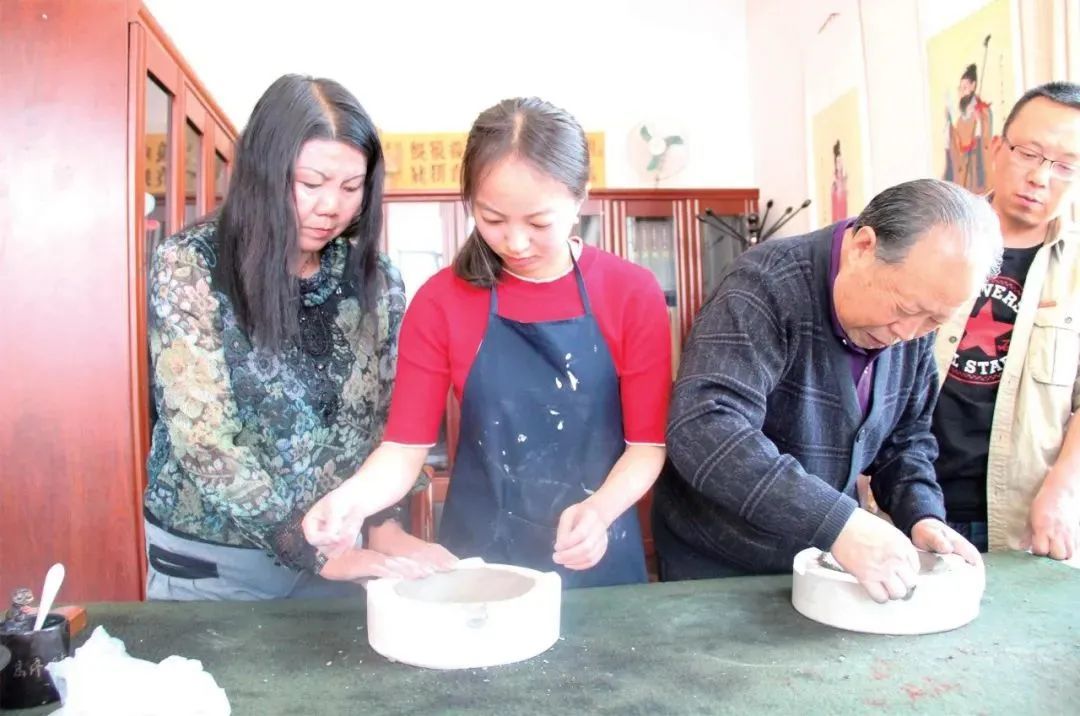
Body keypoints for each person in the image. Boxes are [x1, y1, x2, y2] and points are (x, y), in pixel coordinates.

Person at [303, 97, 672, 588]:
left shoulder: (631, 292)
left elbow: (647, 446)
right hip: (481, 562)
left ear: (580, 197)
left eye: (538, 223)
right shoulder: (442, 300)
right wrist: (349, 501)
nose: (515, 242)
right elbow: (404, 448)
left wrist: (600, 511)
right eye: (492, 219)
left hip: (596, 554)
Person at [143, 74, 435, 600]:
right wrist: (304, 546)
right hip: (219, 564)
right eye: (311, 183)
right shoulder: (192, 264)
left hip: (342, 547)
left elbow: (389, 423)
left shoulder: (375, 277)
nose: (332, 207)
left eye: (351, 188)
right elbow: (203, 440)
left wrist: (384, 522)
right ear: (263, 173)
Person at [654, 178, 1002, 603]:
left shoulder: (915, 315)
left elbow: (906, 439)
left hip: (823, 562)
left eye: (934, 321)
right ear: (863, 247)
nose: (908, 333)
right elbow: (705, 428)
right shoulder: (764, 285)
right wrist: (838, 522)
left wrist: (921, 514)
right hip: (720, 563)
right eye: (904, 309)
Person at [933, 82, 1080, 560]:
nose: (1040, 177)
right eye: (1029, 154)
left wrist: (1061, 492)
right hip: (912, 506)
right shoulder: (934, 239)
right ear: (997, 148)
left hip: (1027, 519)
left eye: (1065, 166)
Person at [945, 63, 995, 193]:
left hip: (977, 163)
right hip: (965, 167)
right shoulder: (960, 119)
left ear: (973, 86)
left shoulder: (982, 111)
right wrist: (949, 125)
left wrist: (979, 121)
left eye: (965, 87)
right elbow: (957, 144)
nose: (962, 92)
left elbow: (985, 139)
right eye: (960, 88)